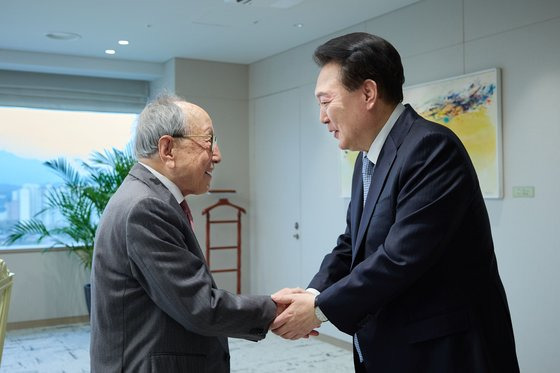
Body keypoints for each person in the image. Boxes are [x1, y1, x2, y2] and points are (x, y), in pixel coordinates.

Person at [271, 32, 520, 372]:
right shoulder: (365, 159)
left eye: (325, 101)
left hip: (443, 352)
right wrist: (314, 294)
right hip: (390, 346)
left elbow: (400, 258)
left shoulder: (430, 147)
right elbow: (351, 245)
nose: (322, 117)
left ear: (368, 93)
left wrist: (318, 309)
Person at [90, 94, 277, 373]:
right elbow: (199, 306)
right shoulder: (147, 207)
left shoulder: (147, 196)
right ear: (168, 149)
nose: (217, 155)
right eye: (208, 141)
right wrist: (275, 309)